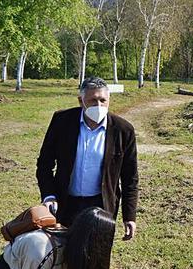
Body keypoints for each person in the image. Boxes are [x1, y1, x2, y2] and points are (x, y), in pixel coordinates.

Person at [37, 76, 138, 238]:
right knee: (62, 255)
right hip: (65, 204)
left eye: (103, 100)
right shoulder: (62, 121)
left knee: (96, 257)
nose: (98, 105)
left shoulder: (123, 130)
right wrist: (49, 195)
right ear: (80, 100)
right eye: (93, 100)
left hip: (101, 207)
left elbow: (130, 177)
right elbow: (44, 163)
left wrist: (129, 216)